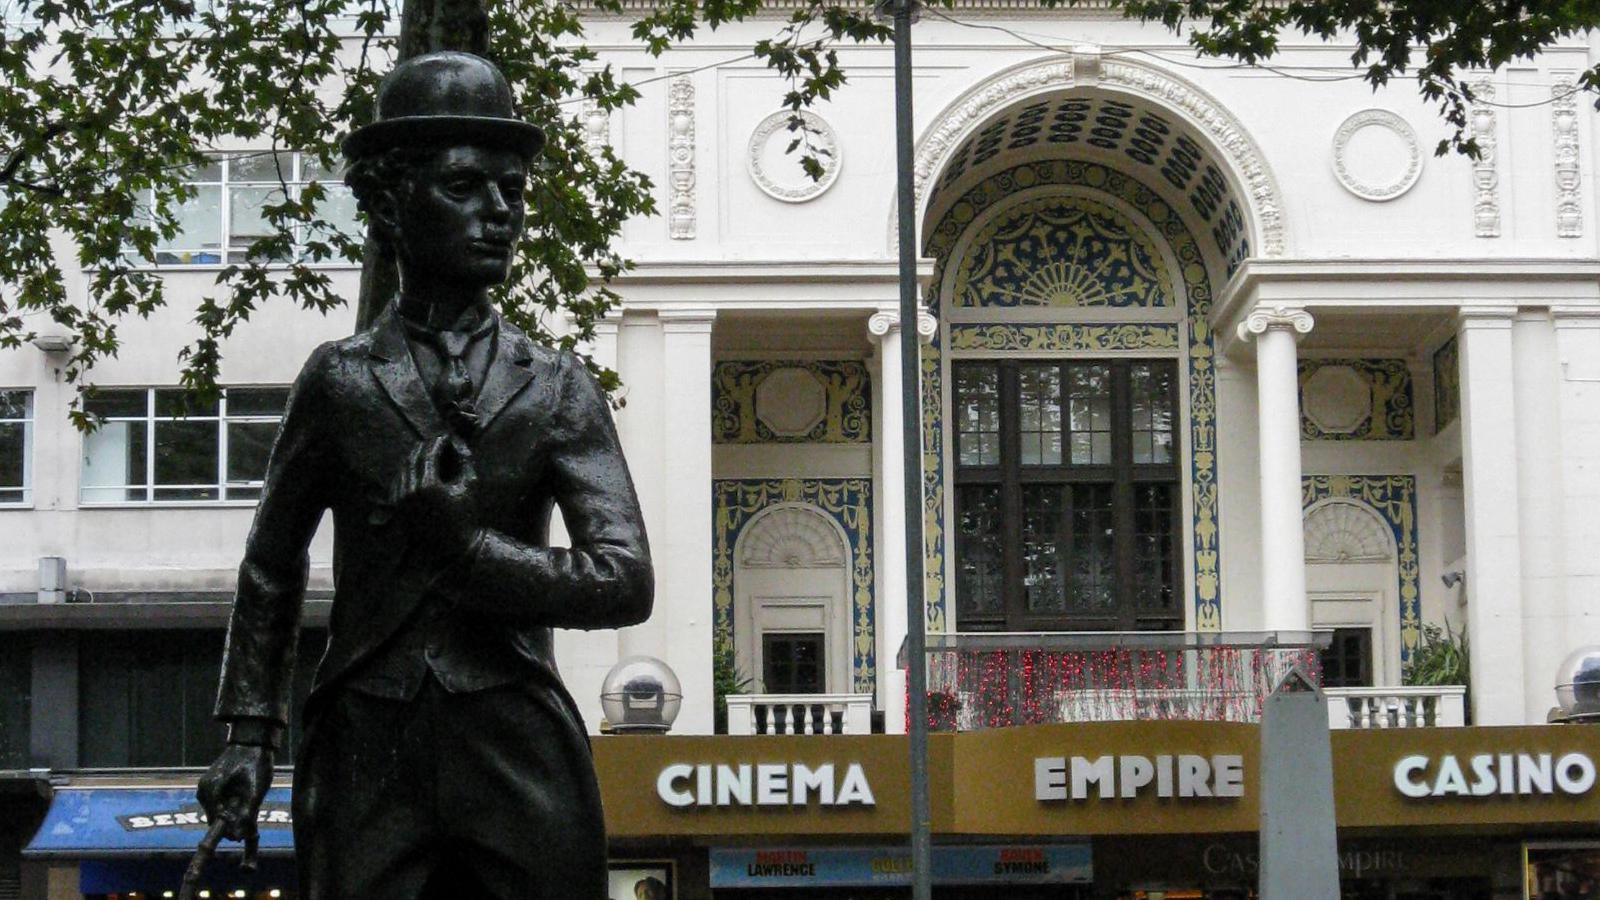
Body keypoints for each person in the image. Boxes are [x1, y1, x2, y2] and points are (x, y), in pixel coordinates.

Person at [194, 51, 653, 900]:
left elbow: (623, 581)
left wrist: (470, 551)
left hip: (516, 739)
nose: (501, 214)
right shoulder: (338, 380)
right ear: (391, 204)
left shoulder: (555, 386)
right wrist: (249, 736)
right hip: (368, 740)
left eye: (513, 191)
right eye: (466, 187)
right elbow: (272, 563)